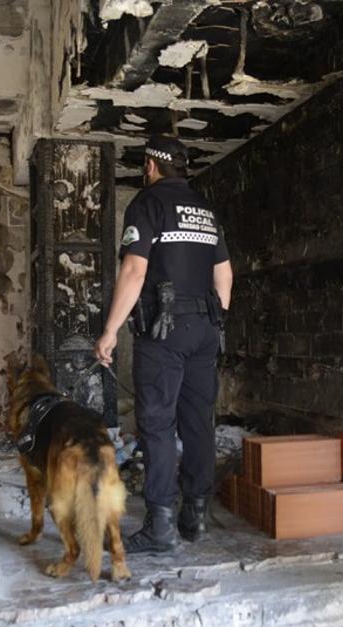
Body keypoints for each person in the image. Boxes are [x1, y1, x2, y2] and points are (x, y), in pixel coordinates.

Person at [94, 136, 233, 554]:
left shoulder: (147, 203)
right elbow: (224, 275)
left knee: (157, 424)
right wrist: (213, 319)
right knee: (197, 423)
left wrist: (110, 330)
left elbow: (135, 270)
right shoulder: (206, 210)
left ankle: (160, 528)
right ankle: (195, 516)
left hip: (163, 331)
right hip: (206, 328)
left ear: (152, 166)